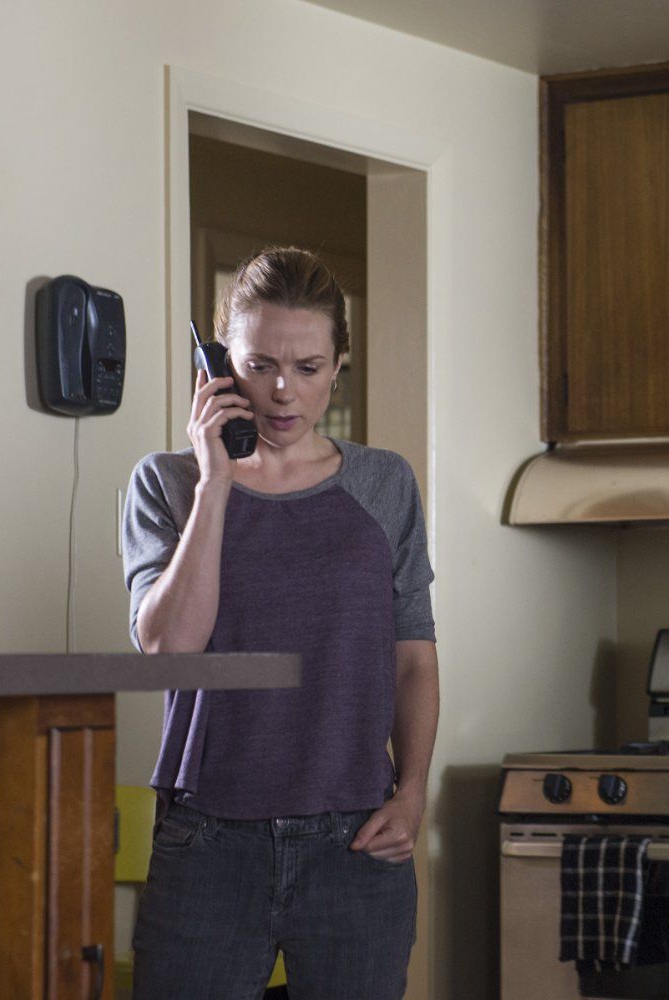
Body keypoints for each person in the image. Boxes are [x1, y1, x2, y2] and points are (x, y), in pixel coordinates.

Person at [121, 246, 438, 1000]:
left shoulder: (384, 484)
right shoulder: (166, 483)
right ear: (219, 369)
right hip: (208, 841)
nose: (283, 391)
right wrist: (216, 482)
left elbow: (413, 660)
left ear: (338, 367)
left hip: (355, 841)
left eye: (308, 367)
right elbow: (168, 649)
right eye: (259, 365)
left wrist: (414, 792)